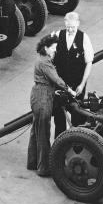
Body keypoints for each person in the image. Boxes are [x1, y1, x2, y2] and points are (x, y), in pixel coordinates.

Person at [27, 35, 69, 177]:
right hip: (43, 97)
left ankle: (33, 162)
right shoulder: (45, 62)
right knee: (44, 133)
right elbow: (57, 80)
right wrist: (69, 90)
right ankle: (44, 169)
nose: (55, 51)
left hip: (39, 94)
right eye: (54, 48)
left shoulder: (42, 58)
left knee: (36, 131)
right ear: (46, 48)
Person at [52, 12, 94, 134]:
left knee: (77, 116)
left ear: (78, 24)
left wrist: (82, 84)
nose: (70, 30)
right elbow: (49, 56)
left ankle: (76, 142)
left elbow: (89, 63)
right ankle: (59, 143)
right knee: (59, 117)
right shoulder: (57, 35)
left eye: (73, 27)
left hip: (77, 86)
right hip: (60, 85)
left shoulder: (84, 37)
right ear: (65, 23)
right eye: (68, 27)